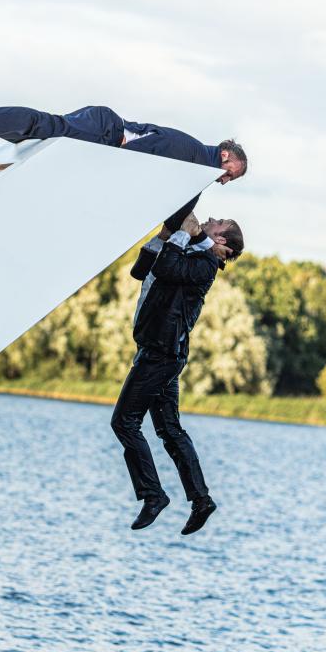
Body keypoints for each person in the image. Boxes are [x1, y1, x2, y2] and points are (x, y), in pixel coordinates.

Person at [0, 102, 246, 232]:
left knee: (36, 133)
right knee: (45, 126)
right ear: (225, 158)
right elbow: (179, 205)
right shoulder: (196, 162)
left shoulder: (194, 159)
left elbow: (176, 207)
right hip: (108, 134)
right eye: (232, 175)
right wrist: (197, 237)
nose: (226, 182)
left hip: (106, 129)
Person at [112, 206, 244, 533]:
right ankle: (201, 500)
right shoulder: (191, 252)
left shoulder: (207, 263)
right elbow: (141, 271)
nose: (212, 219)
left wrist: (184, 232)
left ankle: (153, 495)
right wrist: (165, 235)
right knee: (169, 430)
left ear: (222, 241)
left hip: (160, 353)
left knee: (124, 422)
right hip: (162, 351)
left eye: (220, 222)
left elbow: (170, 268)